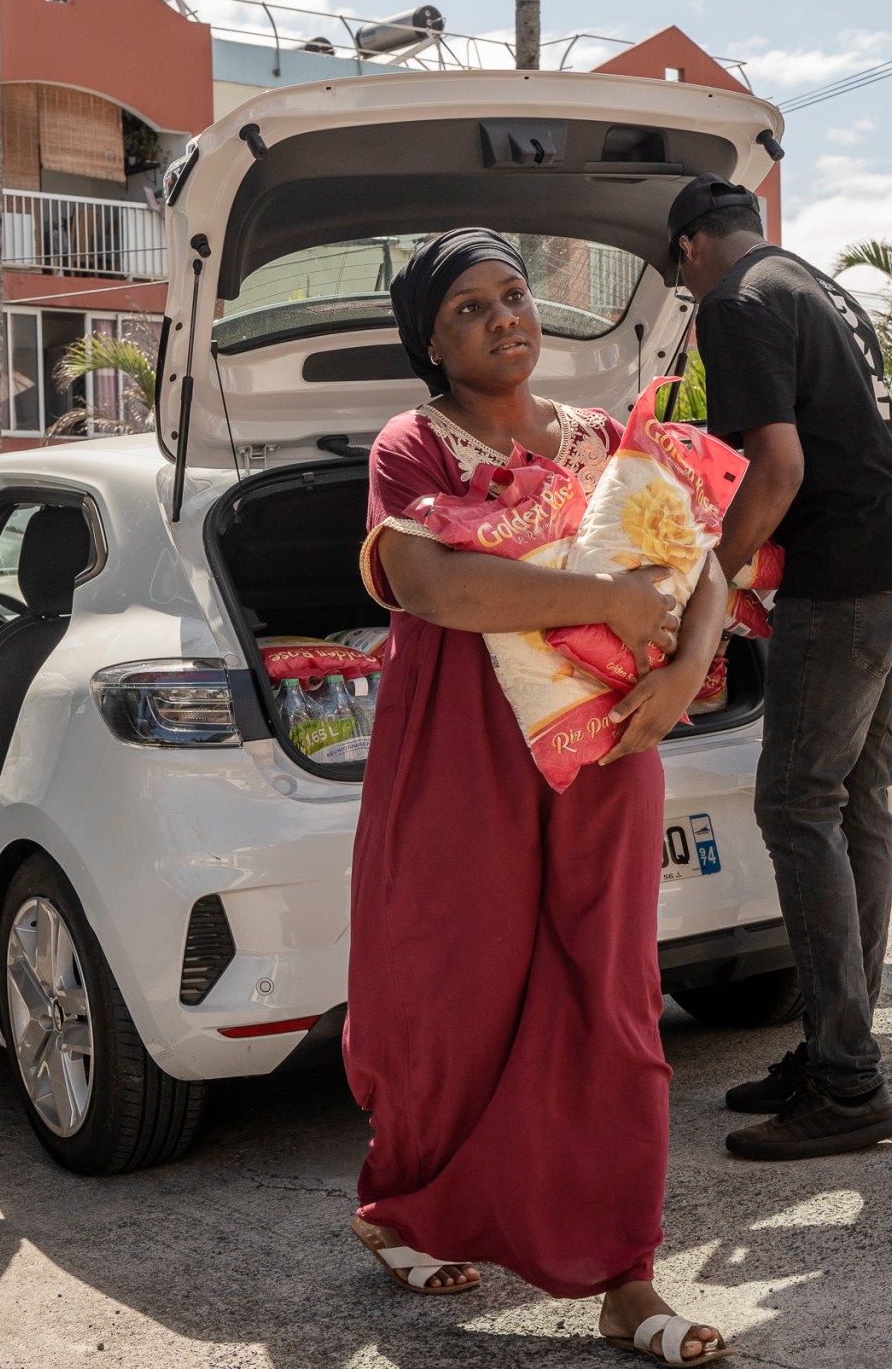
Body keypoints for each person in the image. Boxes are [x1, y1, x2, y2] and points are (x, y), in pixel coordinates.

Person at [347, 228, 736, 1366]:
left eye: (513, 296)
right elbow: (427, 582)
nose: (502, 319)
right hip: (458, 740)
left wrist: (672, 675)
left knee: (610, 989)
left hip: (606, 740)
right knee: (449, 983)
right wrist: (608, 606)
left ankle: (626, 1275)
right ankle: (401, 1204)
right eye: (467, 308)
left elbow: (698, 559)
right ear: (429, 339)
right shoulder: (411, 443)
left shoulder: (606, 436)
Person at [673, 176, 892, 1161]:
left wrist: (705, 585)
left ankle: (845, 1081)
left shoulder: (732, 301)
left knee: (797, 803)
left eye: (678, 269)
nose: (683, 284)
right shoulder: (809, 284)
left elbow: (778, 472)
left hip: (845, 578)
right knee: (856, 800)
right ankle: (839, 1046)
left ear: (692, 245)